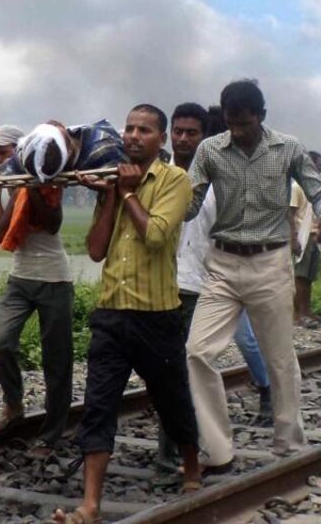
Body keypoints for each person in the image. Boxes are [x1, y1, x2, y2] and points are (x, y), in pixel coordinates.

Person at [55, 105, 201, 523]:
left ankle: (191, 464)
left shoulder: (176, 180)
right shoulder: (112, 181)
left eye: (145, 130)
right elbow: (97, 250)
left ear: (162, 139)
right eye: (130, 129)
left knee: (172, 400)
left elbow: (155, 236)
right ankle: (91, 504)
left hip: (156, 316)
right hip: (111, 315)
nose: (134, 136)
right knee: (98, 405)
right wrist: (108, 197)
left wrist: (129, 194)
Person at [186, 79, 321, 472]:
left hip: (270, 262)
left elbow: (320, 191)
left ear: (261, 116)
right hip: (222, 264)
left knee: (279, 357)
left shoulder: (288, 148)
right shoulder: (210, 150)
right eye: (231, 126)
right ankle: (218, 451)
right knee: (198, 352)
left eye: (244, 125)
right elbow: (189, 206)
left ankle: (289, 443)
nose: (237, 133)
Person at [157, 102, 272, 476]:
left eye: (192, 132)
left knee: (188, 366)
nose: (183, 138)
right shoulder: (159, 175)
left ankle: (181, 449)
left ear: (204, 137)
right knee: (168, 368)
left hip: (203, 285)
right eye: (178, 131)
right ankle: (173, 447)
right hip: (161, 286)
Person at [0, 125, 75, 461]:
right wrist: (8, 192)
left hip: (54, 279)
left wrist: (31, 187)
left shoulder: (48, 179)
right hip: (20, 277)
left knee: (57, 361)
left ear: (21, 153)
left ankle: (50, 435)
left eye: (3, 153)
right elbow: (0, 232)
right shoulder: (1, 186)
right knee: (0, 342)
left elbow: (53, 223)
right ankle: (13, 404)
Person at [293, 151, 321, 328]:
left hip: (314, 238)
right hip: (302, 237)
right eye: (319, 163)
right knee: (300, 277)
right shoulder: (297, 187)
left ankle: (307, 311)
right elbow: (289, 214)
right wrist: (293, 239)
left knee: (309, 277)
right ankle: (298, 314)